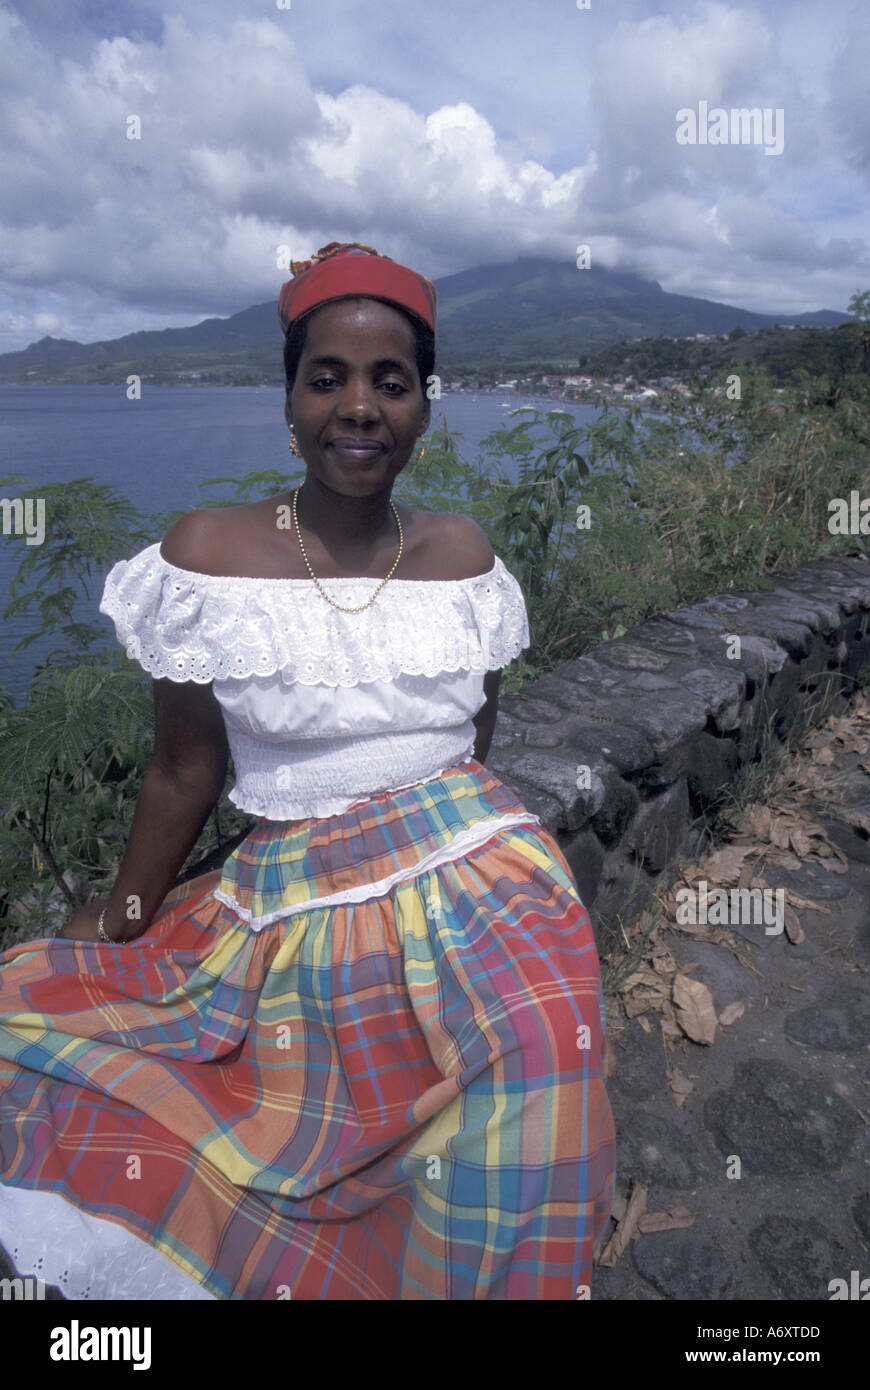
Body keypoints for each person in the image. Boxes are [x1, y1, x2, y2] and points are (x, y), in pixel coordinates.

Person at [0, 242, 615, 1300]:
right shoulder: (207, 557)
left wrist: (434, 894)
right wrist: (116, 929)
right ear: (288, 399)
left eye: (391, 381)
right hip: (292, 900)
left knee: (537, 1052)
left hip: (486, 881)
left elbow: (475, 754)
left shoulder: (464, 557)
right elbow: (183, 773)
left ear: (426, 404)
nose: (359, 406)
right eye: (326, 376)